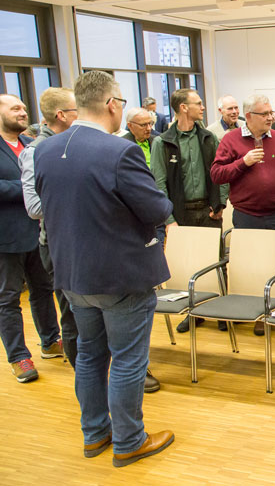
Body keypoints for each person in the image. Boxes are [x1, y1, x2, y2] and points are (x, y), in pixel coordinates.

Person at [34, 70, 174, 466]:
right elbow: (157, 208)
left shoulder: (44, 150)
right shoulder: (119, 151)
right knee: (128, 359)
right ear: (112, 104)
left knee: (90, 356)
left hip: (72, 274)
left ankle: (95, 434)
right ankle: (130, 440)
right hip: (121, 275)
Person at [150, 88, 228, 333]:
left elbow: (221, 173)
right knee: (187, 266)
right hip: (180, 215)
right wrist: (168, 219)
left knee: (216, 263)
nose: (203, 107)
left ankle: (221, 311)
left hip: (208, 211)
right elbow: (158, 184)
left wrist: (220, 204)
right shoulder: (162, 143)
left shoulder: (208, 138)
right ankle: (193, 313)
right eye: (198, 103)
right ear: (183, 108)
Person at [0, 94, 61, 383]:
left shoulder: (30, 144)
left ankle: (50, 341)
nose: (23, 112)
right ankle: (19, 357)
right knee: (8, 299)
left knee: (43, 289)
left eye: (24, 108)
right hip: (6, 236)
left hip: (38, 233)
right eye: (15, 108)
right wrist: (28, 187)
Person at [20, 88, 78, 369]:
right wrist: (81, 202)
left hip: (83, 239)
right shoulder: (35, 151)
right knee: (72, 313)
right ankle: (85, 377)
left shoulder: (75, 144)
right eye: (77, 110)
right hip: (57, 245)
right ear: (61, 115)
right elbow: (34, 207)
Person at [211, 94, 275, 267]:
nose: (270, 117)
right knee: (252, 267)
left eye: (271, 112)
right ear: (249, 116)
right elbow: (217, 174)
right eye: (264, 114)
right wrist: (243, 162)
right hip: (247, 216)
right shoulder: (231, 139)